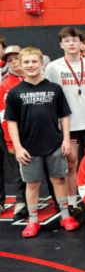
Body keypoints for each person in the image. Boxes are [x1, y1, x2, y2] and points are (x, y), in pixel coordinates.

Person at [5, 47, 79, 237]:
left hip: (54, 144)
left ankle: (65, 216)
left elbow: (64, 116)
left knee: (58, 180)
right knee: (32, 184)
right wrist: (18, 147)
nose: (30, 65)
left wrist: (65, 140)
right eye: (26, 62)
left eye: (34, 62)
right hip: (29, 148)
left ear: (42, 63)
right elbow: (11, 122)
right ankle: (33, 220)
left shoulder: (54, 89)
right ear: (21, 66)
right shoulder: (15, 93)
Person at [44, 27, 85, 212]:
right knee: (71, 163)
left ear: (80, 44)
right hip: (68, 123)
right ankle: (72, 203)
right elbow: (47, 91)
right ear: (61, 45)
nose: (72, 44)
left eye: (75, 40)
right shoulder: (53, 67)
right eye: (67, 41)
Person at [0, 45, 26, 219]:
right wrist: (10, 141)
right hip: (13, 132)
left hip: (34, 131)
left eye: (16, 58)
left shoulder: (37, 78)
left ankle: (58, 201)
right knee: (17, 168)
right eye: (10, 60)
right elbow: (4, 116)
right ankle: (20, 201)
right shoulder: (5, 84)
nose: (14, 62)